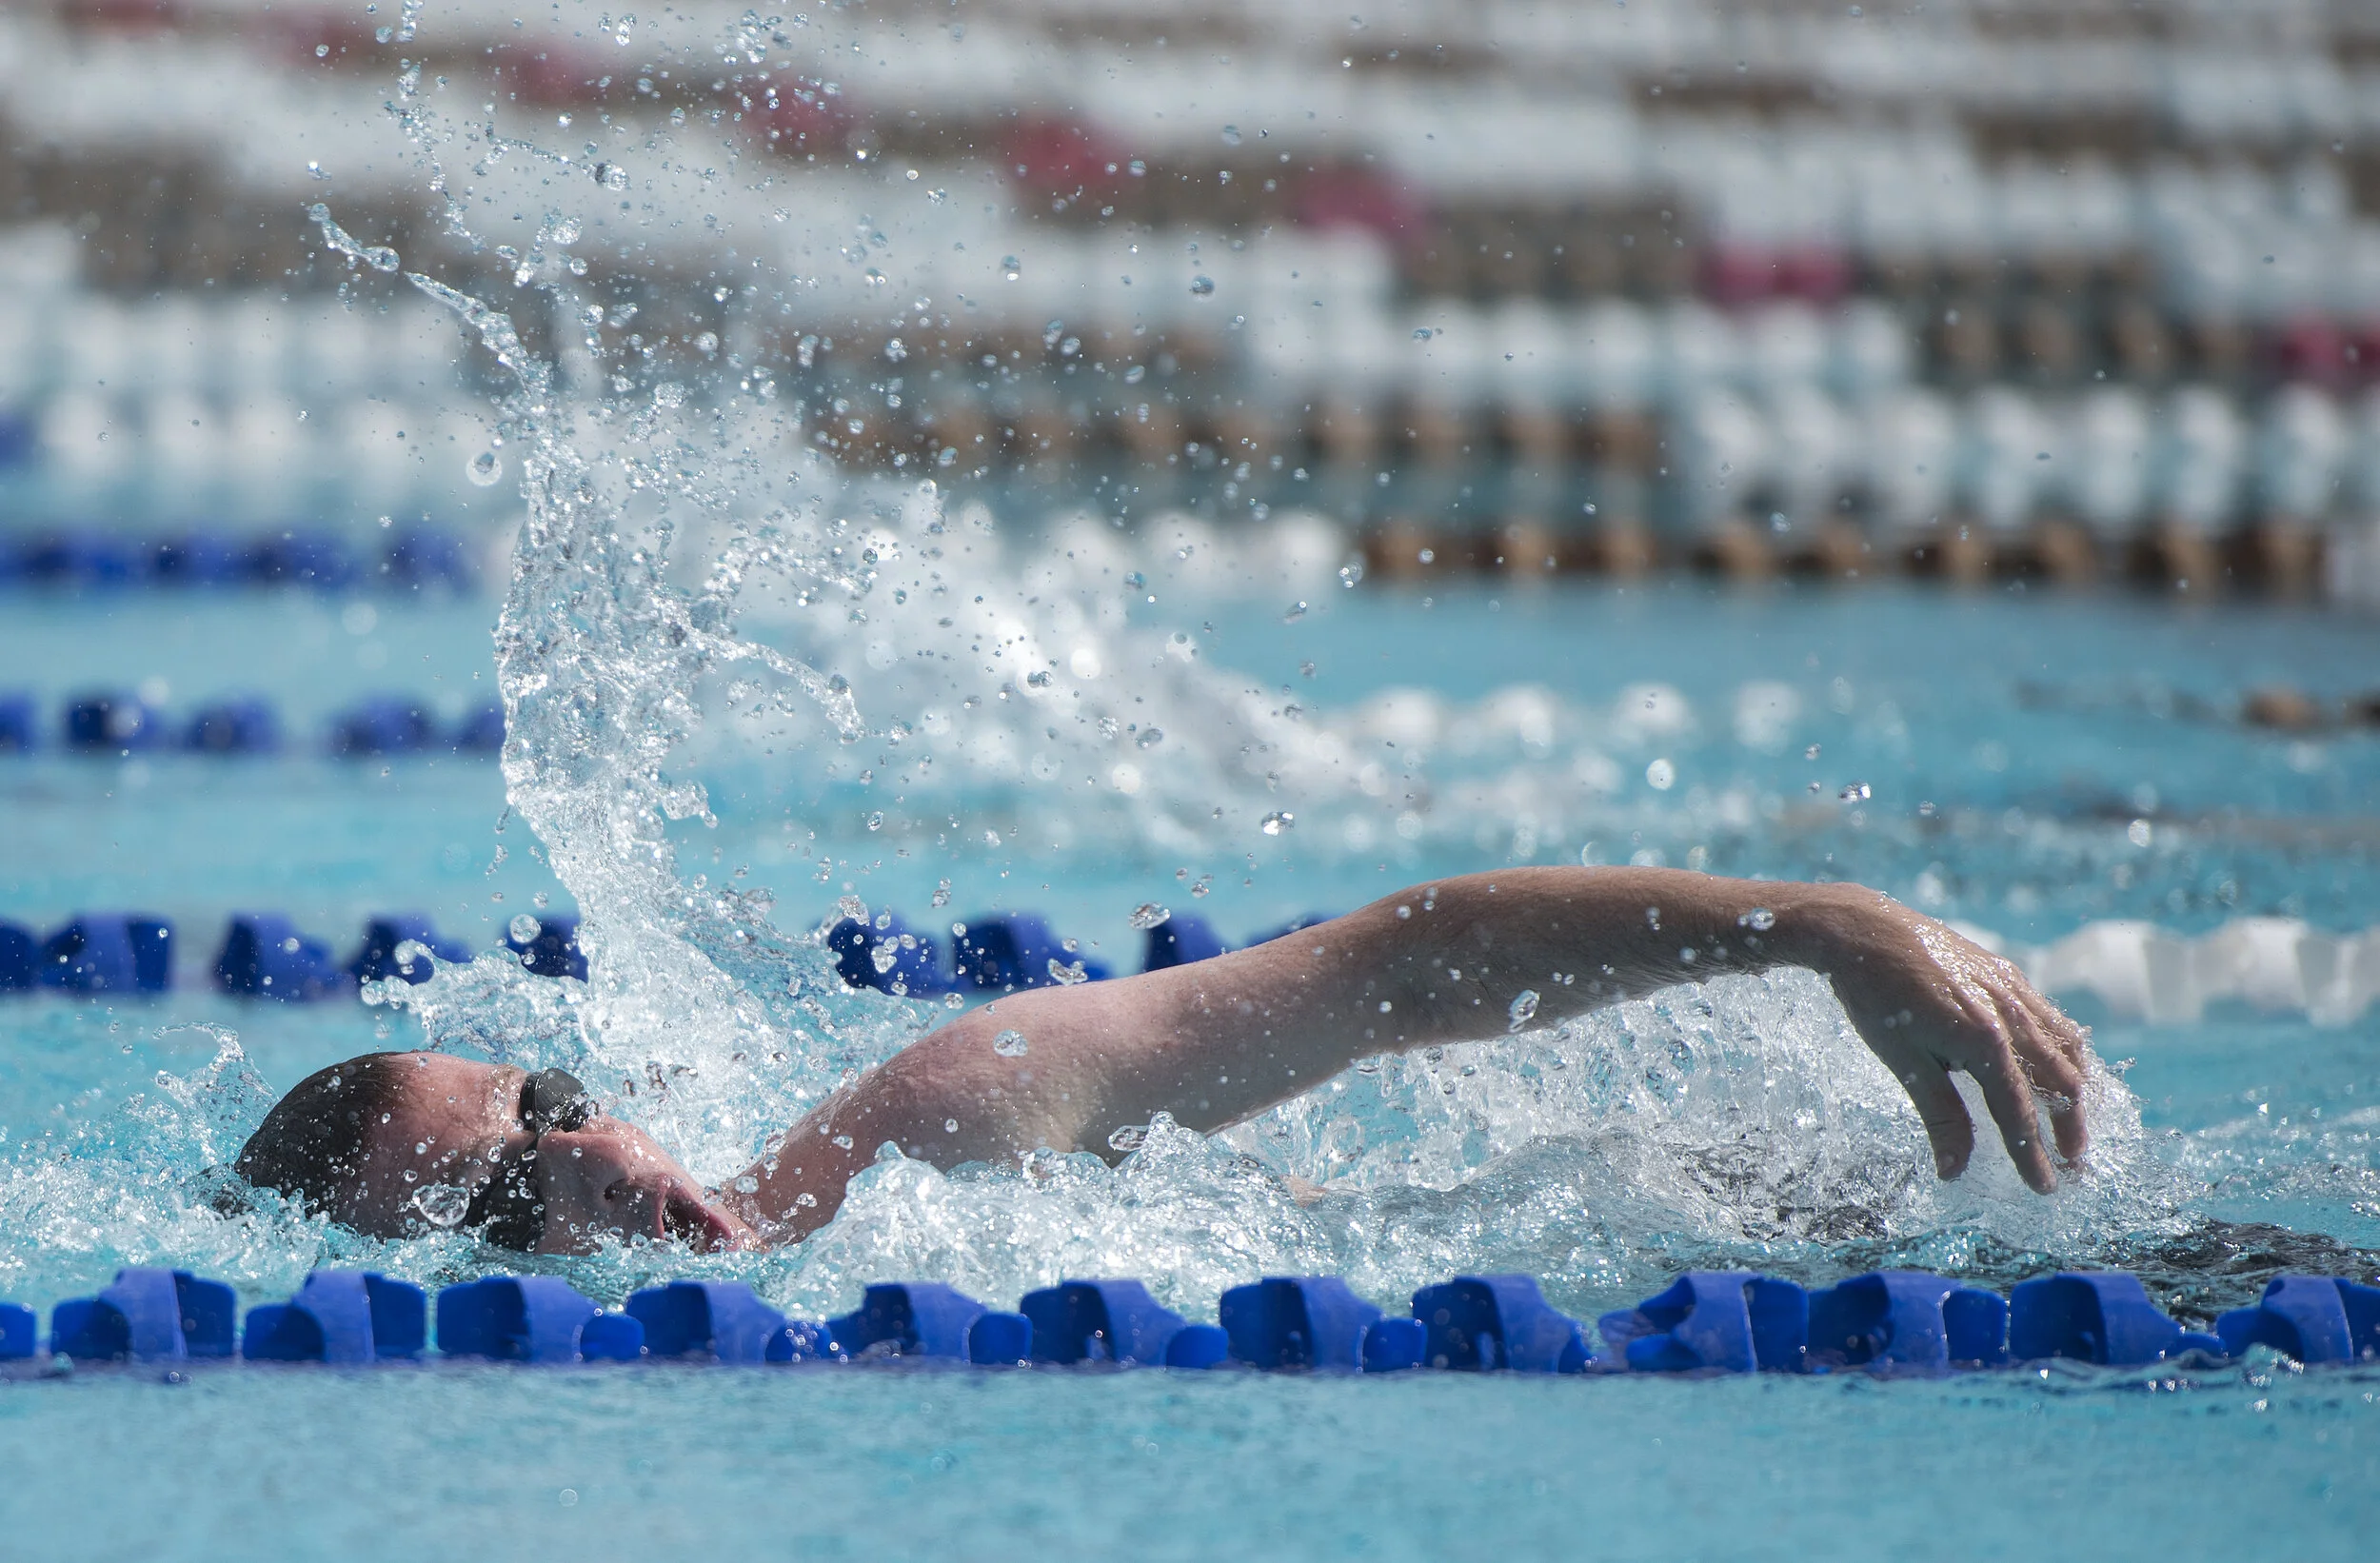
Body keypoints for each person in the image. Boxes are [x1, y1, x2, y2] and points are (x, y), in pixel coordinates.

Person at [231, 867, 2094, 1255]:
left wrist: (1809, 925)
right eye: (495, 1211)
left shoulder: (921, 1141)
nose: (583, 1173)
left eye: (547, 1112)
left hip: (1822, 1245)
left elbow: (1384, 969)